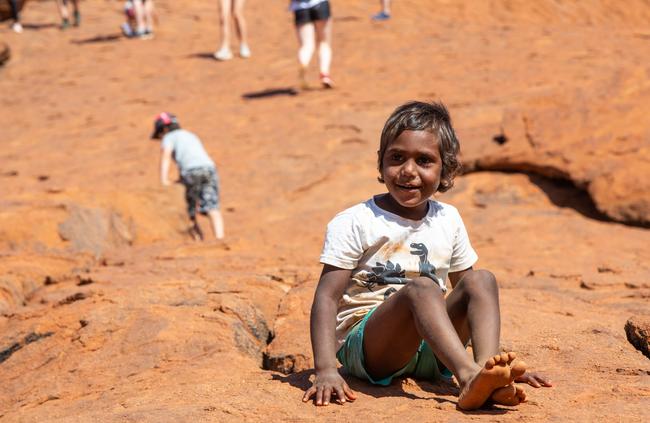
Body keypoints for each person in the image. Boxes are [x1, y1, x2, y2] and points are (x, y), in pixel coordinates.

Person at [302, 101, 552, 410]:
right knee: (423, 288)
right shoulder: (355, 220)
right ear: (380, 162)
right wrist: (325, 370)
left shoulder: (448, 218)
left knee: (481, 279)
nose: (408, 171)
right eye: (396, 158)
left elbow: (470, 294)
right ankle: (469, 377)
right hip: (373, 350)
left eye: (424, 161)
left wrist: (499, 354)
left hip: (435, 348)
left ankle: (489, 372)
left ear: (446, 168)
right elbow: (326, 298)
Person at [151, 112, 225, 241]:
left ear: (164, 128)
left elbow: (166, 157)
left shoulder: (169, 137)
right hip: (209, 169)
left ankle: (197, 240)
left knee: (188, 210)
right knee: (212, 206)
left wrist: (163, 180)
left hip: (191, 172)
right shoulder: (190, 135)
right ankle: (220, 238)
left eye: (160, 132)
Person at [289, 0, 333, 89]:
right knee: (323, 42)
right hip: (320, 4)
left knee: (306, 46)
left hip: (300, 7)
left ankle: (303, 63)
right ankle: (325, 74)